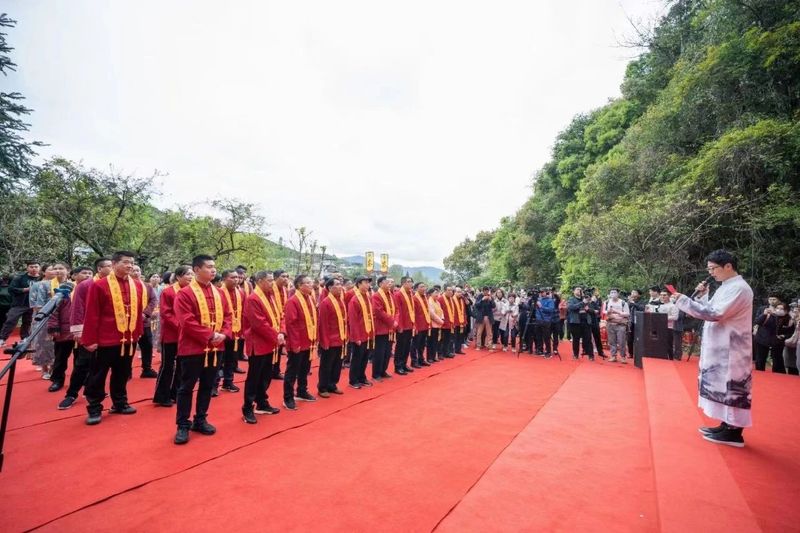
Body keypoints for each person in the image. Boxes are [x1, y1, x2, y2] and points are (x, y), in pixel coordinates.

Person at [673, 249, 754, 448]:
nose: (711, 272)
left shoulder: (740, 288)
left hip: (732, 348)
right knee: (720, 387)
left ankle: (734, 432)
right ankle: (725, 424)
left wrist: (684, 301)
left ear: (728, 266)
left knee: (732, 388)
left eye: (713, 268)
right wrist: (701, 296)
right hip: (720, 346)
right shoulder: (726, 286)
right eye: (709, 268)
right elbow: (710, 308)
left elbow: (716, 313)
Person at [173, 255, 232, 445]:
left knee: (208, 385)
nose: (213, 270)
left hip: (216, 348)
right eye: (209, 267)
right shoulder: (185, 293)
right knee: (186, 387)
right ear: (196, 270)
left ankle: (200, 419)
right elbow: (186, 321)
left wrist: (223, 333)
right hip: (193, 348)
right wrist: (210, 335)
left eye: (214, 267)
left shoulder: (219, 293)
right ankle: (183, 424)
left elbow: (229, 316)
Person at [82, 251, 145, 425]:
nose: (130, 266)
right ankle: (94, 407)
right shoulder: (100, 285)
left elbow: (138, 311)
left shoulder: (137, 285)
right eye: (126, 262)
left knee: (123, 373)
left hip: (128, 338)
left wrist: (138, 333)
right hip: (105, 339)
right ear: (114, 263)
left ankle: (120, 403)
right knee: (97, 375)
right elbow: (92, 313)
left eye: (132, 263)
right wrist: (89, 339)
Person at [57, 258, 112, 410]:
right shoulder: (86, 285)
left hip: (107, 331)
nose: (112, 268)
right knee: (82, 364)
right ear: (99, 269)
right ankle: (71, 394)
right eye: (109, 266)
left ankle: (93, 392)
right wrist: (78, 331)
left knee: (101, 365)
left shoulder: (113, 285)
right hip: (88, 331)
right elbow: (77, 308)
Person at [241, 271, 283, 423]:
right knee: (254, 377)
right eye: (270, 280)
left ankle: (262, 402)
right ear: (259, 281)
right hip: (258, 343)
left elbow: (279, 316)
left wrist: (281, 332)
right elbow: (259, 324)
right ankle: (247, 407)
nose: (272, 283)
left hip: (269, 342)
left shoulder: (269, 296)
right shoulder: (253, 298)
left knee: (266, 375)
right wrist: (276, 335)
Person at [152, 265, 193, 407]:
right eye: (188, 274)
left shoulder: (192, 291)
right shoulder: (168, 292)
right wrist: (181, 326)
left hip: (185, 335)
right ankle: (161, 396)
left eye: (192, 274)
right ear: (178, 276)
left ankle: (175, 393)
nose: (190, 277)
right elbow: (166, 313)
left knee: (183, 366)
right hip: (171, 335)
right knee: (168, 366)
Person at [282, 274, 318, 409]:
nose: (311, 285)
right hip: (297, 342)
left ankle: (302, 391)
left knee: (305, 369)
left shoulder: (310, 298)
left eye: (311, 282)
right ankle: (288, 398)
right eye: (307, 283)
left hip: (309, 340)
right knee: (292, 371)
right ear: (299, 286)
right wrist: (295, 344)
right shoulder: (293, 301)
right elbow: (291, 324)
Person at [213, 270, 245, 396]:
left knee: (231, 358)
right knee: (219, 360)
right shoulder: (218, 292)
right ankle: (214, 385)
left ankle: (228, 382)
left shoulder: (240, 292)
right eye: (232, 277)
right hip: (222, 331)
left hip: (236, 330)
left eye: (237, 277)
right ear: (224, 279)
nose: (236, 280)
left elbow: (243, 312)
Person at [316, 277, 347, 397]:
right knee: (326, 365)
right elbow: (323, 324)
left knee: (337, 364)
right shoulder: (326, 302)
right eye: (337, 284)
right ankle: (323, 387)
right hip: (330, 339)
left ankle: (332, 384)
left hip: (340, 338)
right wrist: (325, 341)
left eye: (341, 284)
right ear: (330, 288)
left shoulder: (340, 300)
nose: (340, 287)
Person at [0, 261, 41, 347]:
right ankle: (2, 338)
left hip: (34, 304)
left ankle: (25, 338)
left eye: (36, 267)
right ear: (27, 268)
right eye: (31, 267)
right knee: (10, 320)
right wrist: (25, 290)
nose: (34, 269)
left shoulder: (41, 278)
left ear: (39, 268)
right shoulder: (20, 277)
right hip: (19, 303)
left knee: (28, 322)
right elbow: (11, 289)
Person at [347, 275, 375, 388]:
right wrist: (356, 336)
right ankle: (353, 380)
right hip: (359, 334)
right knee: (357, 358)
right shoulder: (355, 299)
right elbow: (353, 320)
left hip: (367, 332)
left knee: (364, 357)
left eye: (369, 283)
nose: (368, 285)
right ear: (358, 284)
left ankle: (362, 377)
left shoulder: (367, 297)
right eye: (365, 282)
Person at [131, 265, 158, 378]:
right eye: (133, 270)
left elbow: (153, 300)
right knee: (129, 347)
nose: (136, 272)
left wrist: (145, 313)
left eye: (138, 270)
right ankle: (126, 370)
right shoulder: (123, 286)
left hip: (144, 321)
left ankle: (146, 369)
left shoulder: (147, 286)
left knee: (147, 345)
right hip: (129, 323)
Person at [372, 276, 398, 378]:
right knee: (380, 352)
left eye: (390, 283)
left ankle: (383, 370)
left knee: (387, 351)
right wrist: (392, 321)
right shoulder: (376, 296)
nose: (389, 284)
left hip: (391, 328)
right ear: (380, 284)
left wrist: (395, 320)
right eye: (387, 282)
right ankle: (376, 373)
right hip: (381, 328)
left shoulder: (391, 295)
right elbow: (379, 312)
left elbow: (396, 309)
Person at [753, 301, 789, 373]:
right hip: (762, 339)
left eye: (781, 309)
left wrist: (784, 336)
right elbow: (757, 321)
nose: (779, 310)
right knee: (760, 359)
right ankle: (759, 373)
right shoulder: (769, 315)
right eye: (777, 308)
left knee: (777, 360)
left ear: (786, 311)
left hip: (777, 342)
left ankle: (778, 375)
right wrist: (764, 314)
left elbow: (790, 331)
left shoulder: (788, 319)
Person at [271, 269, 291, 380]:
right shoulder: (270, 289)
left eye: (287, 276)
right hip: (273, 320)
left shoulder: (285, 289)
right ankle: (270, 370)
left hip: (282, 320)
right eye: (283, 276)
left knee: (279, 347)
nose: (286, 279)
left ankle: (276, 370)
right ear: (276, 277)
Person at [393, 276, 416, 370]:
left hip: (409, 324)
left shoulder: (410, 294)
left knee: (407, 346)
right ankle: (398, 366)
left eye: (411, 282)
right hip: (402, 325)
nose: (411, 283)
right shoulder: (398, 294)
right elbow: (398, 312)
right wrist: (400, 326)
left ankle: (404, 364)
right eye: (408, 282)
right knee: (400, 346)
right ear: (403, 283)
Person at [567, 287, 593, 361]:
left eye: (580, 289)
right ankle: (575, 355)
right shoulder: (571, 299)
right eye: (577, 289)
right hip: (576, 322)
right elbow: (571, 307)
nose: (579, 291)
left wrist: (588, 306)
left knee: (588, 339)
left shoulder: (586, 299)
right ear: (574, 291)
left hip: (586, 322)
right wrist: (582, 302)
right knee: (576, 339)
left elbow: (591, 309)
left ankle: (591, 355)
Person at [604, 289, 630, 363]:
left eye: (615, 292)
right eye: (611, 292)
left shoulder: (623, 303)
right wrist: (608, 312)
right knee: (612, 341)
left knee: (621, 341)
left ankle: (623, 357)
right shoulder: (607, 302)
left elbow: (627, 313)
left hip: (620, 324)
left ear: (618, 294)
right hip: (610, 323)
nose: (613, 294)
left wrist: (617, 312)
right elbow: (603, 311)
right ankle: (613, 356)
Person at [412, 282, 432, 364]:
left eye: (424, 286)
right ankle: (414, 361)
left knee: (422, 344)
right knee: (415, 344)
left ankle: (421, 359)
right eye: (421, 287)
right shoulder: (414, 298)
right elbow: (413, 314)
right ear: (416, 288)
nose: (424, 288)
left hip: (425, 325)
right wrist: (415, 326)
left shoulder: (425, 297)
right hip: (418, 325)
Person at [533, 289, 555, 356]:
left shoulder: (550, 300)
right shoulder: (538, 300)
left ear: (546, 292)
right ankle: (540, 349)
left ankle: (548, 351)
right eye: (540, 292)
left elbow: (551, 310)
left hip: (546, 320)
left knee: (546, 336)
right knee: (538, 336)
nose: (541, 293)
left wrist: (541, 306)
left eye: (543, 292)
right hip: (538, 320)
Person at [439, 286, 457, 358]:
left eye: (451, 291)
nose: (450, 292)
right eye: (448, 290)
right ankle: (440, 353)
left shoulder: (451, 299)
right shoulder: (440, 299)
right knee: (441, 339)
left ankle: (447, 352)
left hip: (450, 323)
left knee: (448, 339)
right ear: (444, 291)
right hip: (443, 323)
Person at [427, 288, 444, 363]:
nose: (437, 294)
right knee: (431, 342)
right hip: (433, 325)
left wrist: (442, 319)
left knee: (435, 341)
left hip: (438, 324)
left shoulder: (437, 302)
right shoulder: (429, 302)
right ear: (431, 294)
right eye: (435, 293)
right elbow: (432, 314)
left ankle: (434, 356)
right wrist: (441, 321)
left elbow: (441, 311)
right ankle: (429, 357)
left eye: (438, 293)